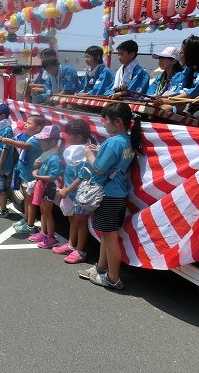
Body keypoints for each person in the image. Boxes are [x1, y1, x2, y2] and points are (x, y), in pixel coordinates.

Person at [78, 103, 141, 290]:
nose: (103, 123)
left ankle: (113, 278)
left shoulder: (113, 142)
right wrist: (99, 152)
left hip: (107, 195)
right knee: (107, 235)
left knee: (110, 237)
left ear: (118, 121)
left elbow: (98, 168)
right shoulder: (127, 140)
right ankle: (101, 268)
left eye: (105, 119)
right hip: (118, 194)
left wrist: (89, 153)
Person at [0, 114, 46, 234]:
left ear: (38, 128)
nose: (25, 124)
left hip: (30, 175)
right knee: (26, 199)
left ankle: (30, 225)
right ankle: (26, 220)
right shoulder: (29, 136)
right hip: (25, 173)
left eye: (29, 123)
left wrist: (9, 141)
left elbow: (25, 146)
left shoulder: (37, 139)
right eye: (26, 122)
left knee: (30, 201)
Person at [54, 119, 95, 263]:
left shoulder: (86, 151)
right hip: (70, 191)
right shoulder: (74, 149)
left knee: (80, 221)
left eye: (69, 134)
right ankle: (71, 245)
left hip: (81, 193)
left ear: (78, 137)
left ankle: (80, 250)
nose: (67, 137)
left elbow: (83, 176)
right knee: (72, 219)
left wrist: (67, 189)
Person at [27, 125, 63, 249]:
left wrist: (37, 176)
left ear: (52, 141)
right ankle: (44, 232)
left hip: (49, 187)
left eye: (43, 140)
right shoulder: (46, 154)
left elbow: (52, 177)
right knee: (43, 211)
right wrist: (37, 174)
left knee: (47, 212)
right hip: (42, 186)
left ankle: (50, 237)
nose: (40, 142)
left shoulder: (54, 158)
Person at [155, 35, 199, 118]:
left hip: (198, 106)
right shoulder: (188, 70)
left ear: (192, 54)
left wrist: (167, 101)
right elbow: (181, 90)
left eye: (181, 53)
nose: (179, 55)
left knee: (197, 115)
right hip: (189, 104)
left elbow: (191, 94)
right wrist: (165, 98)